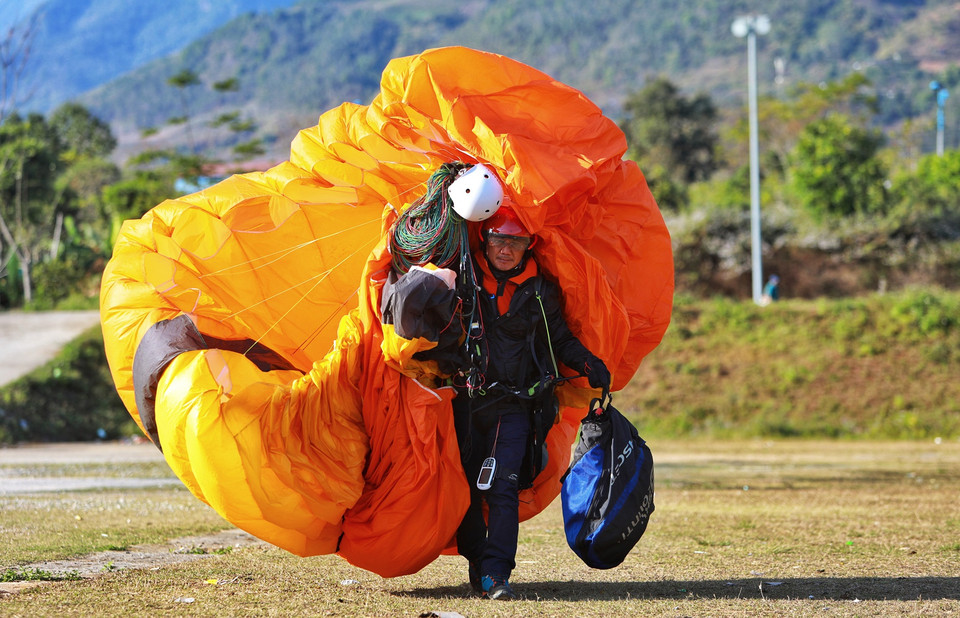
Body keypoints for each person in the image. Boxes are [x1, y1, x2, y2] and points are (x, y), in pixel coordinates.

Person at [452, 203, 610, 600]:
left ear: (528, 246)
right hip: (465, 403)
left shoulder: (539, 291)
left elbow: (559, 338)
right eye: (500, 240)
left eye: (516, 242)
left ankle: (496, 573)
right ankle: (478, 558)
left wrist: (588, 362)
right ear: (486, 241)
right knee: (464, 487)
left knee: (502, 486)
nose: (506, 250)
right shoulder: (461, 280)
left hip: (517, 404)